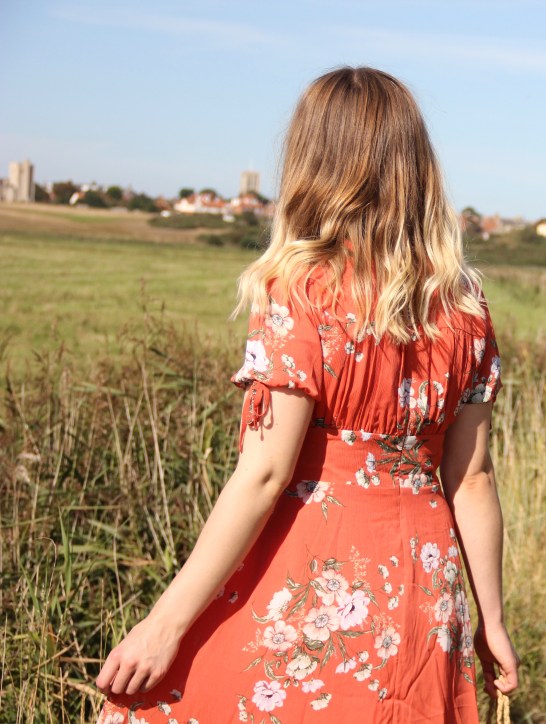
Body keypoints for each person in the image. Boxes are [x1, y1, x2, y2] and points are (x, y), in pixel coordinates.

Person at [95, 66, 519, 723]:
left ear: (314, 159)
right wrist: (491, 621)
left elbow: (266, 473)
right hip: (424, 592)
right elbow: (473, 481)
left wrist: (163, 624)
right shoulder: (464, 300)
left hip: (313, 579)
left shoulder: (302, 289)